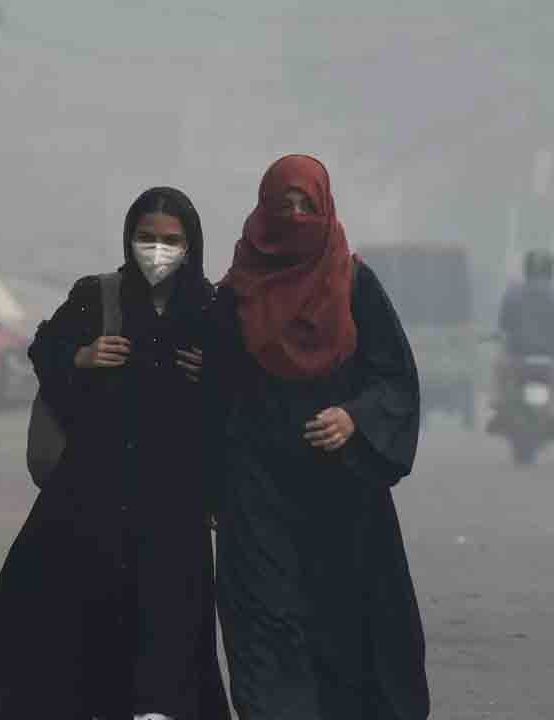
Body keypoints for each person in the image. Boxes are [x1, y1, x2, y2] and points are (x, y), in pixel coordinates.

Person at [0, 187, 229, 720]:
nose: (157, 250)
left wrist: (212, 376)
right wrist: (83, 355)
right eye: (146, 238)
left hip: (172, 503)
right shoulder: (98, 295)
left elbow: (237, 394)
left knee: (165, 639)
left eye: (170, 240)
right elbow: (45, 349)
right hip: (92, 491)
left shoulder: (211, 308)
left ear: (192, 244)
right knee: (66, 628)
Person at [205, 155, 429, 720]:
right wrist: (208, 489)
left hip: (342, 496)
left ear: (325, 208)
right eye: (287, 207)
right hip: (256, 493)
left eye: (309, 205)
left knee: (350, 630)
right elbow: (209, 393)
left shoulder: (354, 283)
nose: (298, 217)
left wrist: (355, 418)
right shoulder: (234, 295)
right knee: (266, 626)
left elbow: (394, 376)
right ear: (264, 212)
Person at [490, 250, 554, 413]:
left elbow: (503, 323)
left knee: (498, 366)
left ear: (527, 269)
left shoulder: (514, 292)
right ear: (551, 270)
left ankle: (498, 399)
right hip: (550, 357)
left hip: (518, 356)